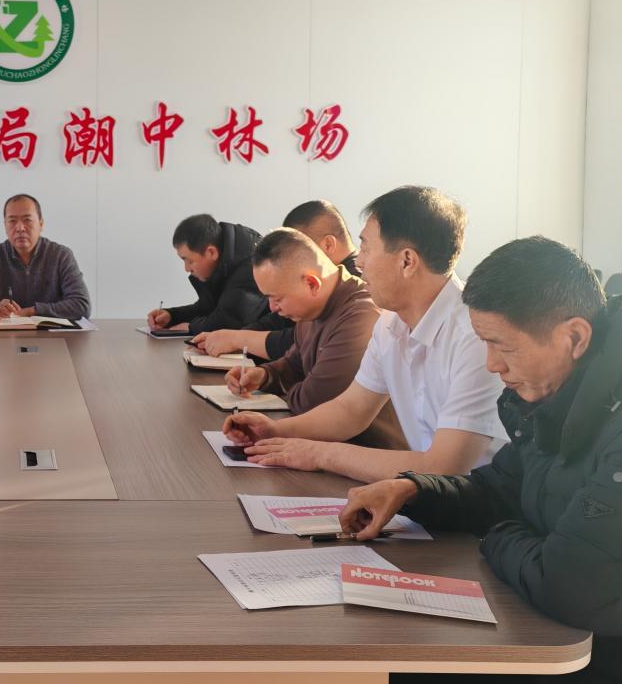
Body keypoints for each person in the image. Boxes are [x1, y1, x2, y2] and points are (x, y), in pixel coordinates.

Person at [341, 237, 622, 684]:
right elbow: (501, 487)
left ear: (574, 337)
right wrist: (412, 490)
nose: (492, 364)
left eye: (501, 345)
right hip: (556, 630)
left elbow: (572, 587)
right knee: (391, 674)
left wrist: (495, 535)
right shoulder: (565, 391)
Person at [222, 186, 506, 483]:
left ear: (407, 261)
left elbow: (444, 467)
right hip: (422, 493)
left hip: (477, 507)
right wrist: (275, 431)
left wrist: (320, 454)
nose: (358, 262)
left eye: (366, 248)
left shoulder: (476, 337)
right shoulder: (390, 324)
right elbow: (351, 409)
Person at [224, 228, 406, 449]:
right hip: (324, 447)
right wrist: (263, 376)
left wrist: (291, 386)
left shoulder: (361, 317)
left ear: (312, 284)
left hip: (369, 454)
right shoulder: (312, 309)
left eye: (277, 298)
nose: (272, 308)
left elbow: (310, 403)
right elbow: (294, 365)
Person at [192, 200, 361, 359]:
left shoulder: (357, 290)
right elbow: (278, 323)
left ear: (328, 245)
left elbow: (298, 343)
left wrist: (238, 340)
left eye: (300, 245)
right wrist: (229, 338)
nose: (287, 253)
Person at [0, 194, 91, 323]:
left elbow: (81, 305)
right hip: (5, 336)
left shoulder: (61, 256)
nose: (20, 228)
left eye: (27, 220)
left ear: (41, 224)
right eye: (12, 221)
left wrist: (31, 311)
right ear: (5, 226)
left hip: (51, 334)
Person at [147, 214, 280, 336]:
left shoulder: (251, 264)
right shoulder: (225, 260)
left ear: (211, 252)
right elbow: (209, 307)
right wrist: (172, 316)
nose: (186, 269)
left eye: (189, 261)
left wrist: (191, 327)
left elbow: (229, 321)